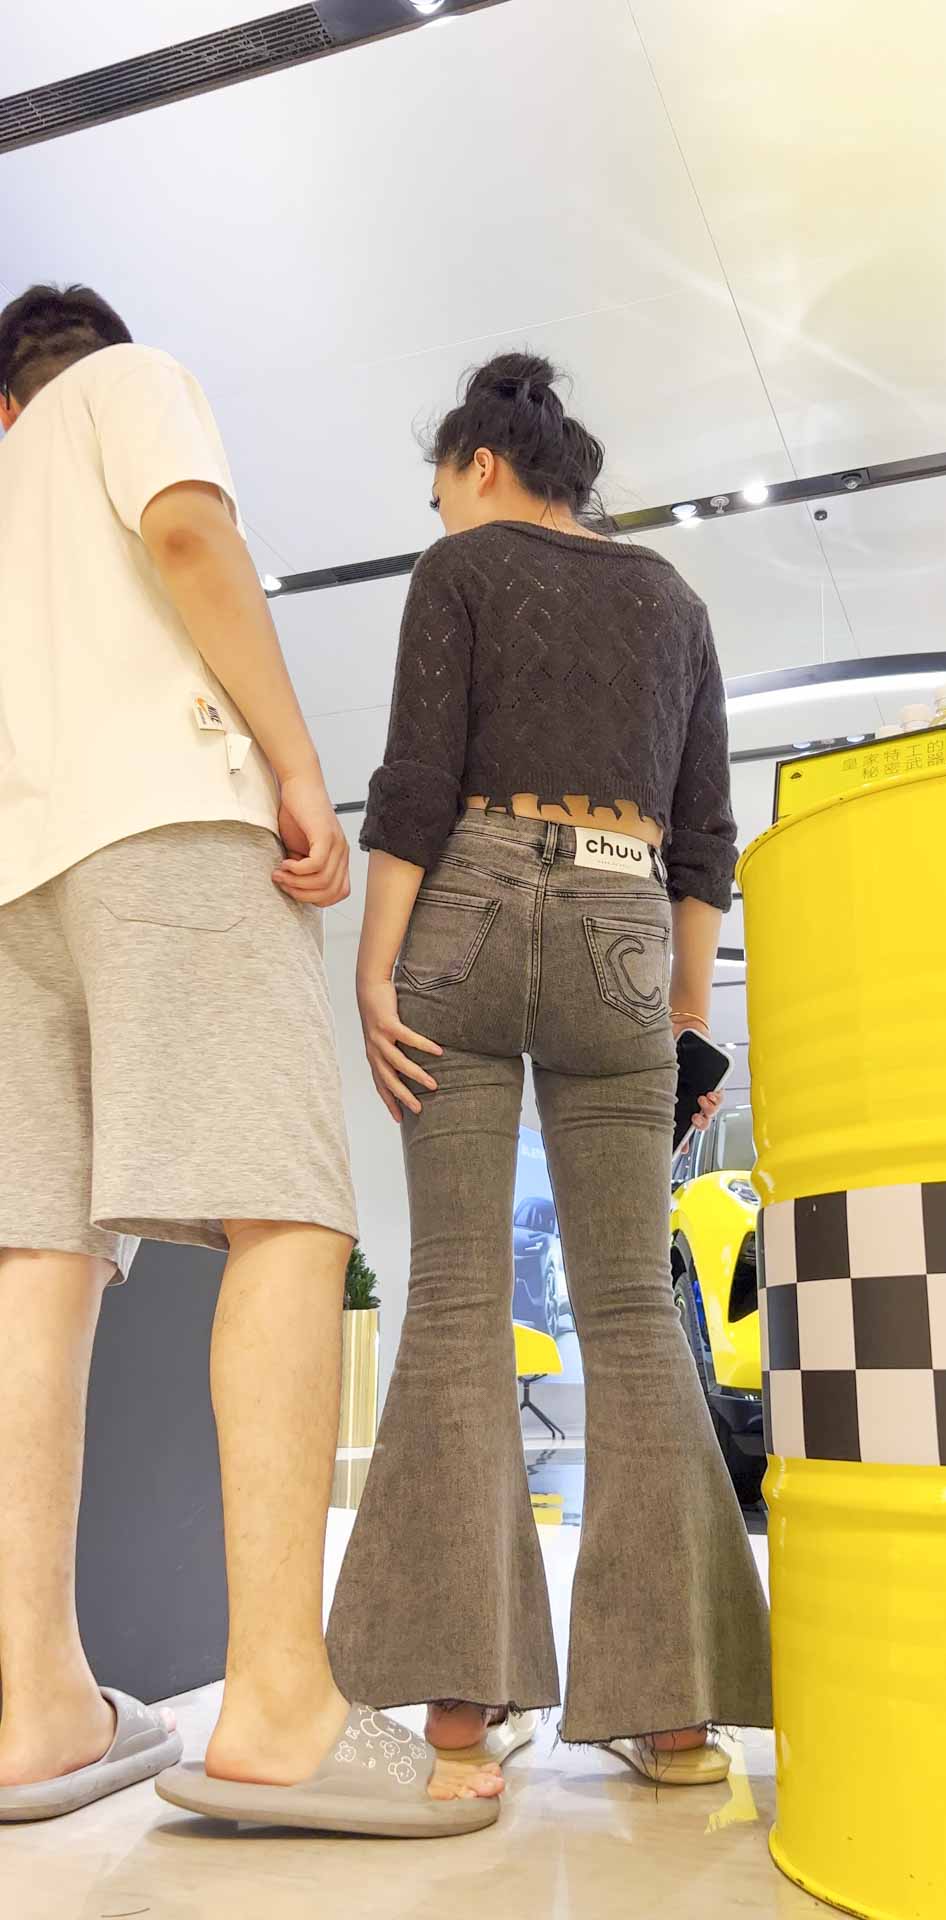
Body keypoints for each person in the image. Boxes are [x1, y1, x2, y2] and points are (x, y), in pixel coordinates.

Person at [0, 285, 502, 1837]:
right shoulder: (128, 380)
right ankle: (280, 1699)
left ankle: (34, 1702)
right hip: (166, 825)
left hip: (14, 886)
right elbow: (189, 535)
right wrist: (297, 763)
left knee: (37, 1261)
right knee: (292, 1210)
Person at [328, 353, 771, 1782]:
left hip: (465, 902)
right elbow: (706, 833)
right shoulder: (675, 602)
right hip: (624, 920)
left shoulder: (457, 571)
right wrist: (685, 1009)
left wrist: (376, 965)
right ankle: (675, 1712)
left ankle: (463, 1708)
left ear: (482, 466)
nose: (442, 512)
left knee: (457, 1295)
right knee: (632, 1305)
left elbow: (416, 784)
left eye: (441, 488)